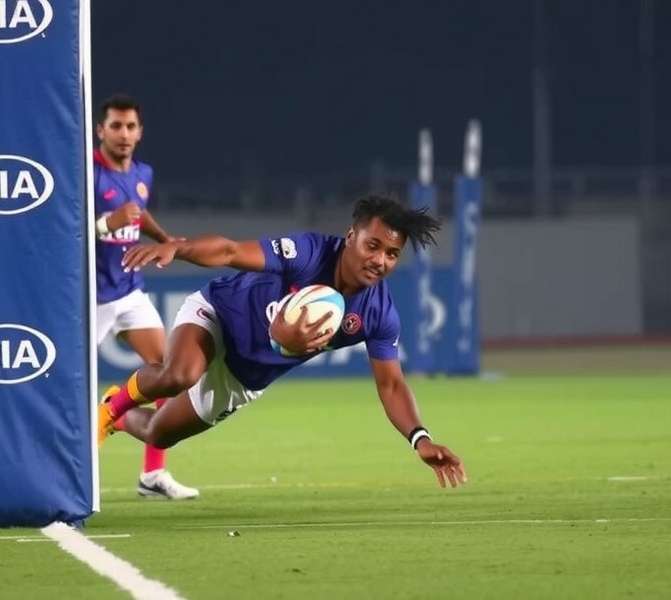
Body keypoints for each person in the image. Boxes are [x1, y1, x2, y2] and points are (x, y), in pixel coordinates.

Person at [98, 194, 467, 488]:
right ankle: (107, 412)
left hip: (245, 377)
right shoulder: (308, 252)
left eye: (392, 254)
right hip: (218, 316)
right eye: (373, 245)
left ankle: (118, 413)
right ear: (351, 236)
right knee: (180, 374)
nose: (380, 260)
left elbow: (391, 385)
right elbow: (230, 251)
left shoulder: (378, 313)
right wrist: (178, 249)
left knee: (159, 434)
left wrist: (420, 439)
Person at [94, 93, 199, 500]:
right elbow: (64, 226)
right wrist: (107, 224)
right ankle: (67, 468)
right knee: (64, 382)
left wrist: (164, 238)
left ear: (140, 132)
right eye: (116, 126)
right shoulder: (85, 171)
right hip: (91, 298)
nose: (123, 133)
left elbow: (138, 212)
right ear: (100, 130)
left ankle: (152, 474)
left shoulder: (142, 173)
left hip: (130, 291)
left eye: (130, 126)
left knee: (168, 374)